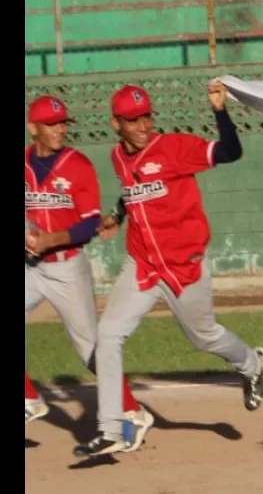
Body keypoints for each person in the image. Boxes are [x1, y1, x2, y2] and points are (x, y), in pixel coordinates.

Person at [72, 82, 263, 457]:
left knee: (204, 337)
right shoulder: (117, 156)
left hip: (183, 265)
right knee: (109, 335)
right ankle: (112, 428)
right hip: (142, 264)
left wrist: (220, 111)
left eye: (146, 115)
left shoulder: (174, 147)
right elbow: (133, 190)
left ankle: (251, 363)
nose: (142, 125)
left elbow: (230, 151)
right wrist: (117, 214)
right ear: (117, 124)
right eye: (133, 120)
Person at [24, 96, 152, 451]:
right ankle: (29, 401)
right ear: (33, 128)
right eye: (51, 124)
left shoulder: (76, 165)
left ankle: (133, 412)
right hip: (30, 269)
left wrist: (51, 238)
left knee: (90, 350)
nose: (60, 129)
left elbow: (91, 224)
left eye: (63, 122)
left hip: (67, 268)